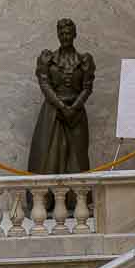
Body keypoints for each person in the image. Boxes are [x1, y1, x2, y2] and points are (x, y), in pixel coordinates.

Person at [27, 18, 93, 176]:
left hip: (76, 114)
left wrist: (74, 108)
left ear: (74, 34)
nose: (65, 36)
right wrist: (62, 107)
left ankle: (76, 198)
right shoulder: (47, 59)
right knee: (49, 159)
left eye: (68, 33)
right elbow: (44, 84)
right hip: (52, 113)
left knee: (78, 157)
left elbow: (87, 87)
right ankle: (45, 198)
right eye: (62, 33)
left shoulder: (84, 59)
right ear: (57, 35)